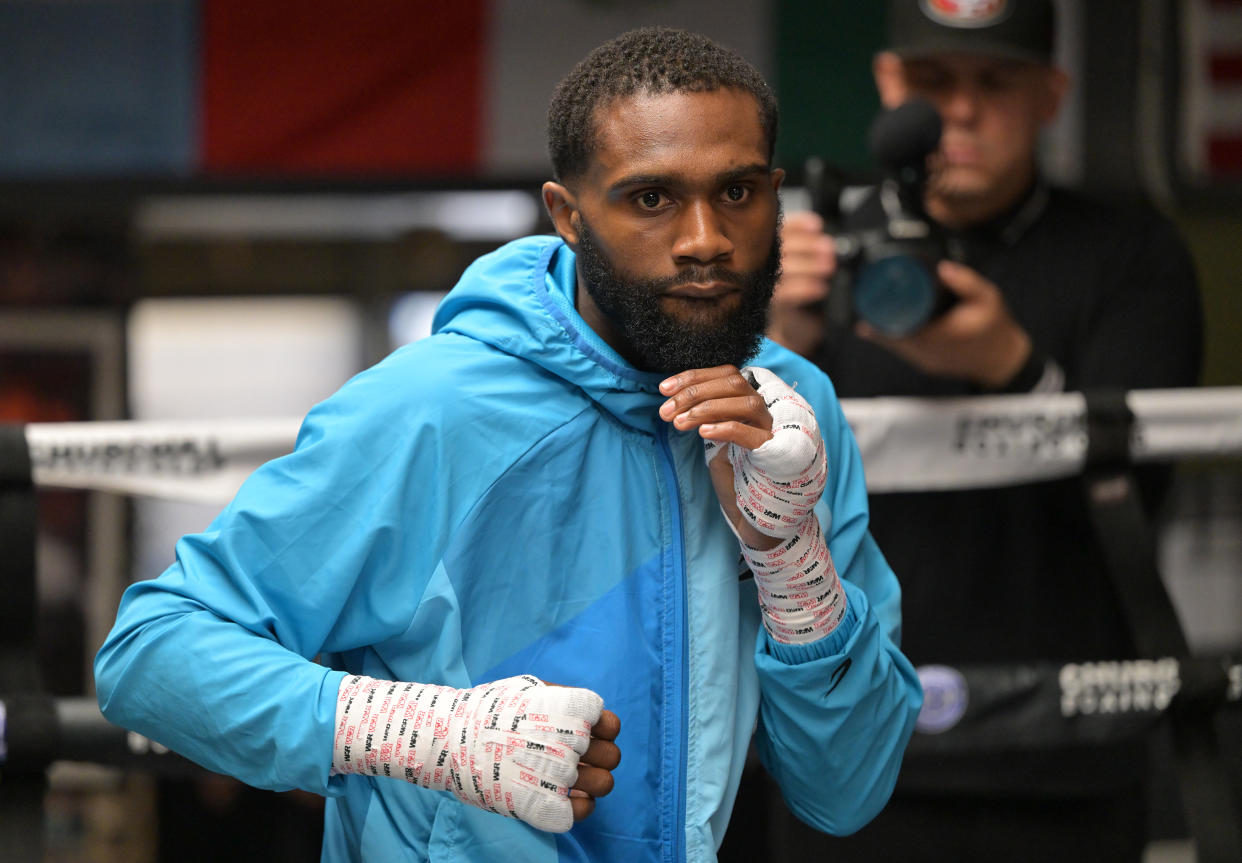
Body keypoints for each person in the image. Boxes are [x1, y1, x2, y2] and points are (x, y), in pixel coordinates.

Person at [95, 27, 922, 863]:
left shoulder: (788, 415)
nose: (704, 237)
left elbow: (844, 789)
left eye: (737, 192)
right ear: (567, 214)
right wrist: (426, 733)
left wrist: (791, 558)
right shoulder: (432, 407)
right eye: (650, 198)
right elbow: (150, 652)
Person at [758, 1, 1204, 861]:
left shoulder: (1131, 253)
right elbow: (717, 499)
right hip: (846, 750)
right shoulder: (807, 253)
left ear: (1051, 94)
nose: (960, 112)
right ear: (890, 85)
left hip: (1063, 754)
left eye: (995, 83)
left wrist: (1014, 367)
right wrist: (773, 346)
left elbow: (1145, 501)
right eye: (932, 82)